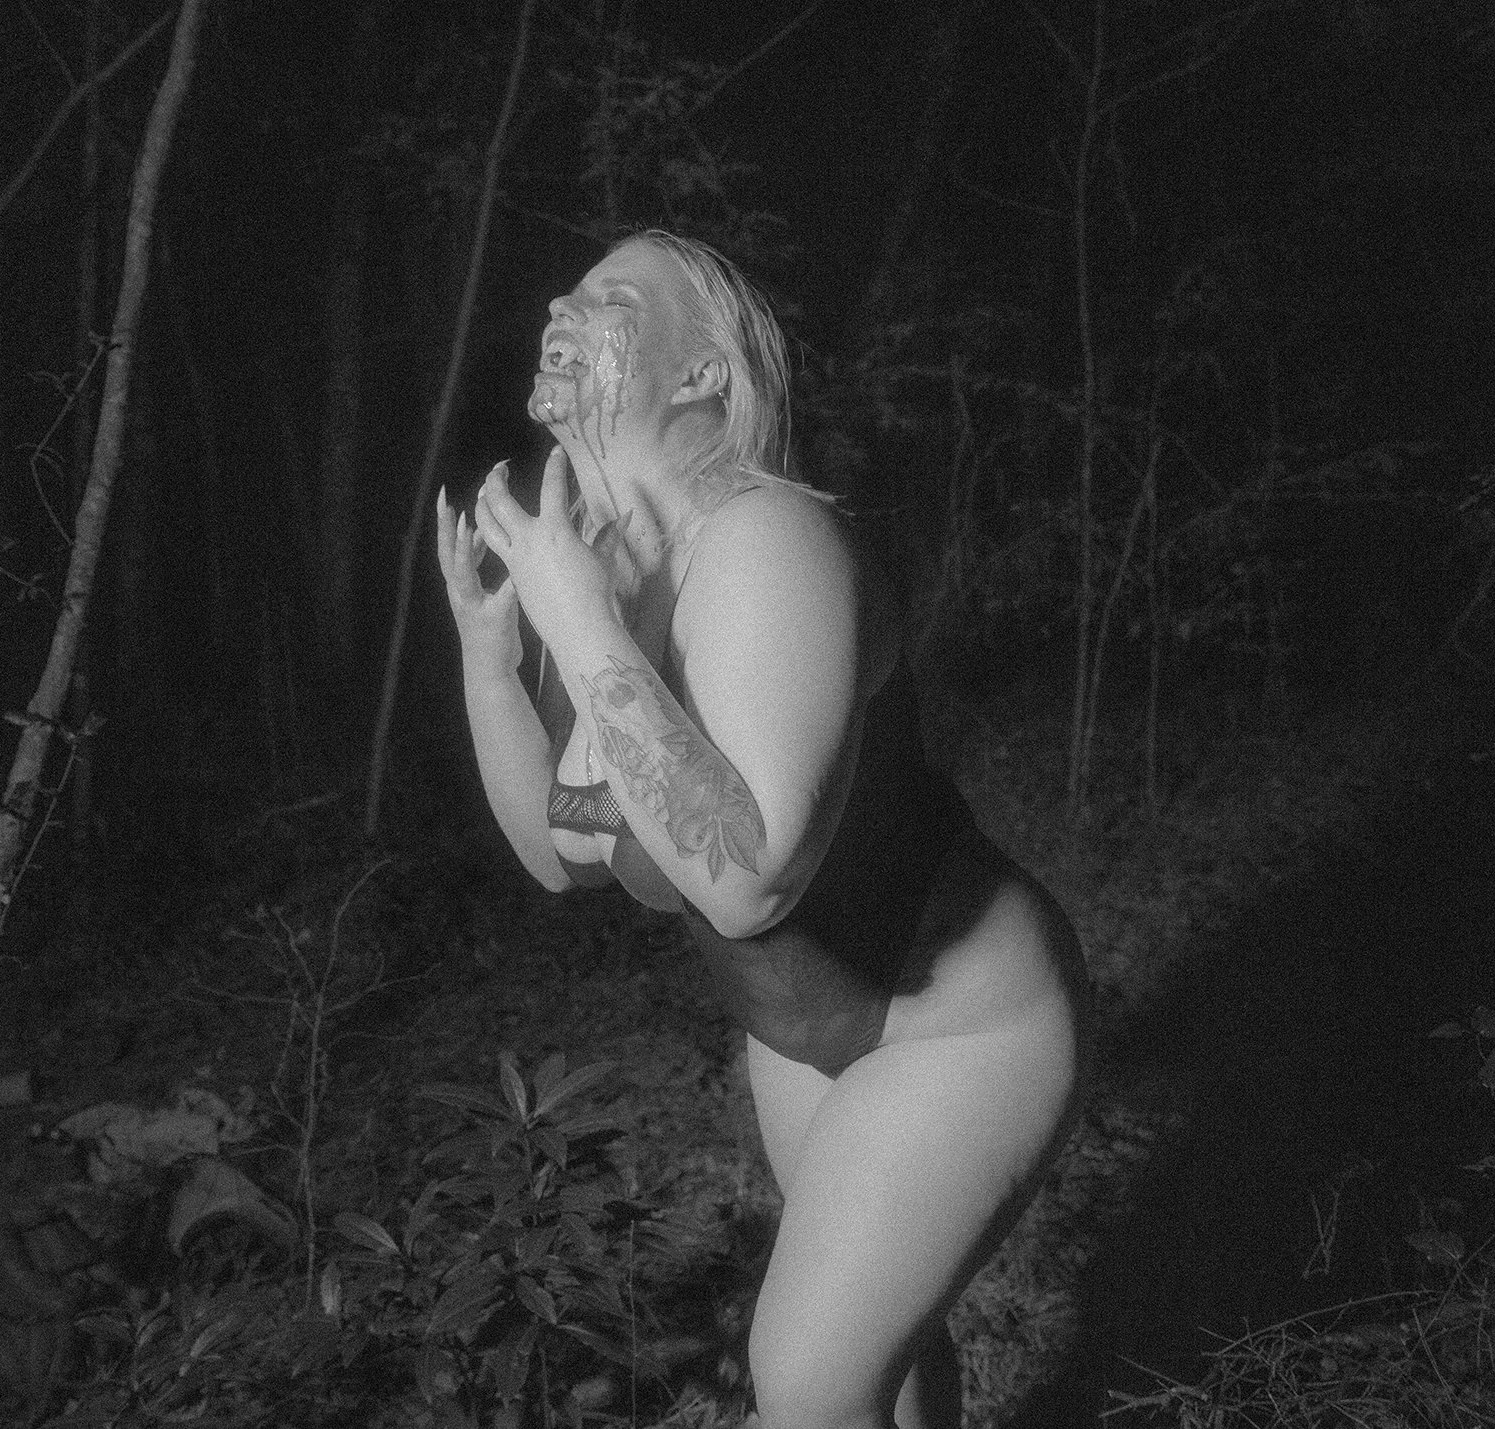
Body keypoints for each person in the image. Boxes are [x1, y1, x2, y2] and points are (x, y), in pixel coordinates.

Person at [435, 229, 1086, 1429]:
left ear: (701, 375)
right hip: (801, 1036)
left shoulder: (767, 539)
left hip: (960, 1027)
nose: (560, 305)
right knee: (881, 1357)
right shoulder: (616, 576)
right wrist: (492, 653)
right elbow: (560, 851)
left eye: (611, 298)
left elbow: (749, 879)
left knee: (804, 1384)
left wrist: (579, 621)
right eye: (566, 290)